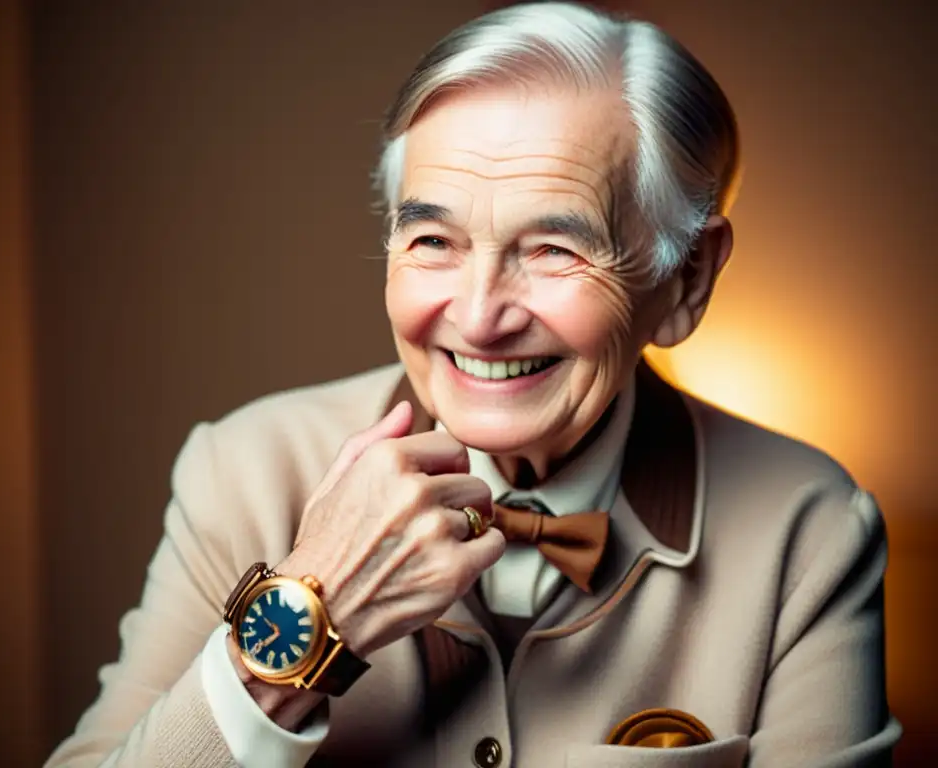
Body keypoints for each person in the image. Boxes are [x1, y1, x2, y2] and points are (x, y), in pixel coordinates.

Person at [45, 3, 901, 766]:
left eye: (554, 249)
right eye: (432, 241)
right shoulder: (240, 473)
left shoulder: (810, 529)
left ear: (684, 282)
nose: (481, 317)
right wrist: (303, 623)